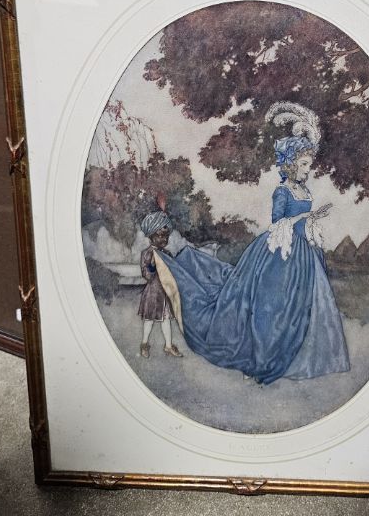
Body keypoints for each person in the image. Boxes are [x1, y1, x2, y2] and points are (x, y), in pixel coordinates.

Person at [158, 102, 350, 384]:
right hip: (279, 253)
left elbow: (302, 220)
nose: (308, 170)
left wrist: (311, 221)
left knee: (301, 306)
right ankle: (264, 357)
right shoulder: (282, 191)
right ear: (291, 163)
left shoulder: (304, 190)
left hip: (305, 255)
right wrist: (306, 216)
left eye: (309, 165)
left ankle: (296, 355)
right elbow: (277, 223)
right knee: (272, 306)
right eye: (304, 165)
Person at [138, 211, 183, 359]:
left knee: (166, 320)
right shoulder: (147, 254)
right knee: (149, 320)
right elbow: (147, 275)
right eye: (160, 235)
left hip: (165, 293)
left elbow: (174, 272)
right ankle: (144, 344)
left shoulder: (167, 254)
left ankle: (168, 346)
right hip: (153, 294)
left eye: (166, 236)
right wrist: (152, 266)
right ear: (151, 236)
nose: (164, 239)